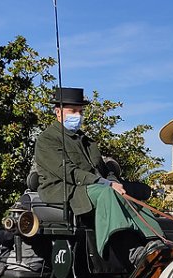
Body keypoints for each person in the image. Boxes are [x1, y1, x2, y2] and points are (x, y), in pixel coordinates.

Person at [34, 87, 162, 266]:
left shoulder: (87, 141)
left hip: (92, 185)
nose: (77, 115)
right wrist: (105, 184)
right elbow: (68, 172)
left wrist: (115, 183)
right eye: (73, 111)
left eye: (80, 111)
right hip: (64, 189)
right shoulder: (47, 139)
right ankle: (128, 251)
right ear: (58, 112)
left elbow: (104, 169)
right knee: (107, 194)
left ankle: (154, 240)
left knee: (127, 191)